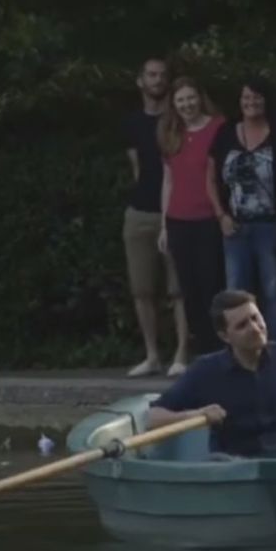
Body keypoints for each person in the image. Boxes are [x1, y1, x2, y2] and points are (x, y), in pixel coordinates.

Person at [148, 290, 276, 458]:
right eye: (242, 325)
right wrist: (197, 415)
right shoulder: (205, 371)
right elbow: (154, 416)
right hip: (233, 468)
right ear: (225, 336)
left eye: (255, 318)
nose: (254, 328)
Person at [121, 58, 188, 377]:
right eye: (151, 74)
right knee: (142, 289)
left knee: (179, 289)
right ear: (140, 80)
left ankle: (181, 354)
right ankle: (151, 355)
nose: (157, 79)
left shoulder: (178, 119)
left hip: (177, 212)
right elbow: (136, 167)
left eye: (163, 74)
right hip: (139, 212)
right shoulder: (132, 122)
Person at [209, 78, 276, 339]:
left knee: (274, 292)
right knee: (235, 293)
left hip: (271, 225)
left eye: (256, 97)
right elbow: (210, 177)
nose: (251, 103)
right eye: (246, 97)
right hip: (235, 226)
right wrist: (220, 215)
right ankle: (237, 349)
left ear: (266, 101)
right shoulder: (225, 133)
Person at [158, 77, 227, 358]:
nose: (186, 105)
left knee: (213, 285)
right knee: (189, 291)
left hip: (208, 218)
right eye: (180, 100)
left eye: (190, 98)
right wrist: (164, 225)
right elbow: (168, 181)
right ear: (173, 105)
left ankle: (220, 349)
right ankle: (201, 353)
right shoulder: (170, 132)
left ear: (200, 97)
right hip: (178, 220)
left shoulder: (218, 127)